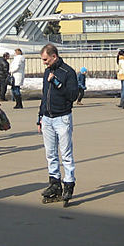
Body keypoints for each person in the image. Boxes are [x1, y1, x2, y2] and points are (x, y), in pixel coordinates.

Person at [37, 44, 78, 204]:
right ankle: (54, 183)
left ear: (54, 56)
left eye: (46, 60)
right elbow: (44, 95)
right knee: (50, 153)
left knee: (66, 154)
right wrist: (40, 116)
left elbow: (73, 95)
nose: (44, 63)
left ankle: (69, 183)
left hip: (62, 118)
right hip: (47, 118)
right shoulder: (47, 72)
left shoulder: (68, 72)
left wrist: (57, 83)